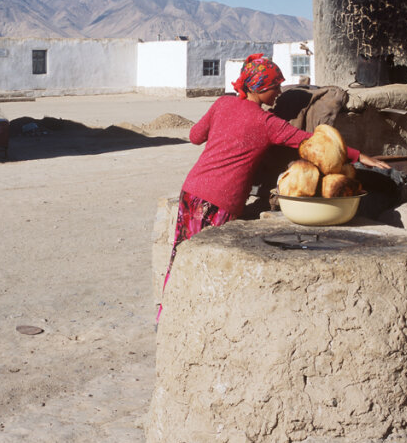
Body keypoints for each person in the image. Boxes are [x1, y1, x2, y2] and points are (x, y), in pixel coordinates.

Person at [157, 54, 389, 322]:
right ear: (258, 87)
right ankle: (197, 320)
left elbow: (195, 136)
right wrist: (358, 156)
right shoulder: (267, 124)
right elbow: (313, 142)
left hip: (192, 190)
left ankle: (168, 316)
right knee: (208, 264)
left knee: (181, 255)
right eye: (275, 86)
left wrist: (221, 130)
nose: (279, 92)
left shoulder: (222, 104)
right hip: (221, 201)